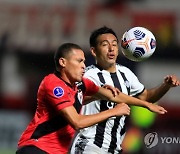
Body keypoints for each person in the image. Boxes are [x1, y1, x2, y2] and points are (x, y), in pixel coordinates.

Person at [16, 43, 167, 154]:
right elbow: (77, 122)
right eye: (78, 61)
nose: (83, 66)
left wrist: (145, 104)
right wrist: (113, 111)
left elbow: (114, 95)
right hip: (36, 148)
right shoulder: (54, 84)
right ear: (63, 62)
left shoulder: (80, 85)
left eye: (83, 61)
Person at [69, 26, 180, 154]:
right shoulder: (88, 75)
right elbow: (72, 102)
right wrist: (99, 94)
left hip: (114, 148)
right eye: (105, 45)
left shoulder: (125, 73)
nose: (111, 49)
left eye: (114, 45)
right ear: (94, 51)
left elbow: (146, 96)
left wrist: (165, 86)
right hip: (89, 145)